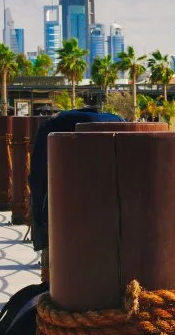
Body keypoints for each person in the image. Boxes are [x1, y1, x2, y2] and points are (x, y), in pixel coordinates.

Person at [29, 108, 124, 281]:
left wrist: (40, 232)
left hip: (62, 208)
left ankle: (49, 280)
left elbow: (38, 181)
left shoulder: (50, 126)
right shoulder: (117, 120)